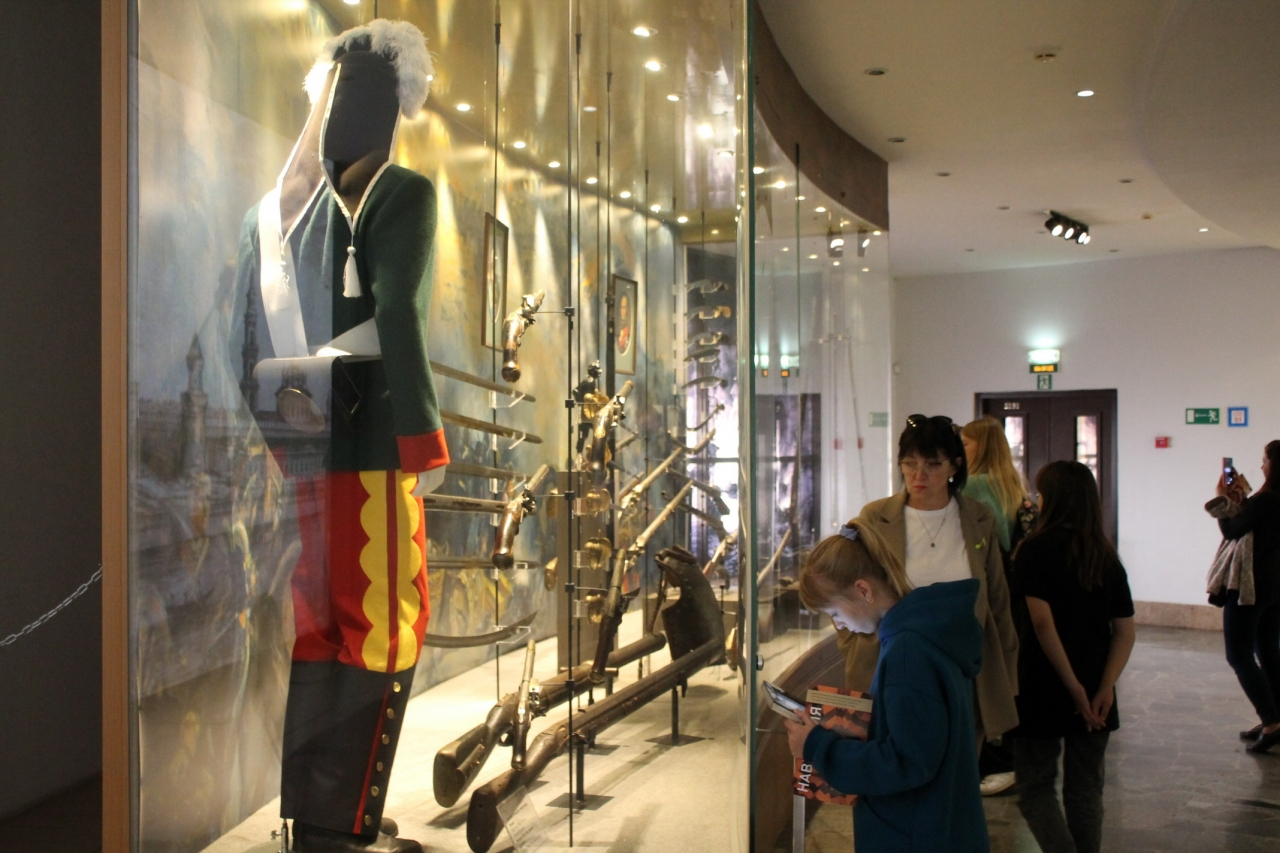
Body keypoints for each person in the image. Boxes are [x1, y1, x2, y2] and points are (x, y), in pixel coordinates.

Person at [786, 519, 990, 852]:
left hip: (917, 836)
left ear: (863, 590)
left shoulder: (907, 652)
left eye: (834, 612)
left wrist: (817, 746)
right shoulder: (924, 634)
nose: (839, 624)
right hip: (939, 824)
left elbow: (907, 761)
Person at [838, 415, 1020, 751]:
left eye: (933, 464)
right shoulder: (875, 518)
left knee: (957, 765)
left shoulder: (979, 518)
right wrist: (853, 643)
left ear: (955, 466)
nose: (918, 475)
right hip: (891, 668)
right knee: (893, 760)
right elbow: (844, 587)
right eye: (910, 463)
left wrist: (1006, 677)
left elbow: (997, 600)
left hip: (962, 670)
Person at [1012, 461, 1135, 853]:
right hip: (1097, 687)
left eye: (1040, 492)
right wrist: (1105, 687)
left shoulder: (1034, 551)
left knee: (1035, 787)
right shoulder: (1106, 556)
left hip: (1042, 683)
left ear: (1052, 499)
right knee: (1086, 790)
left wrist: (1073, 687)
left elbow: (1042, 625)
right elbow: (1125, 631)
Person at [961, 417, 1037, 795]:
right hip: (1015, 594)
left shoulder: (974, 485)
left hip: (988, 592)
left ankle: (995, 761)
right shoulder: (1013, 486)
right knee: (1006, 673)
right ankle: (1009, 759)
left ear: (983, 447)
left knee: (985, 676)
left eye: (966, 444)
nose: (960, 451)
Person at [1214, 441, 1280, 754]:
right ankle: (1276, 718)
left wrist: (1223, 500)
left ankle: (1272, 723)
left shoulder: (1267, 500)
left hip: (1249, 586)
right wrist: (1240, 501)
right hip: (1274, 585)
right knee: (1268, 652)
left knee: (1238, 655)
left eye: (1265, 460)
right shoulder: (1269, 499)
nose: (1262, 465)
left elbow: (1233, 531)